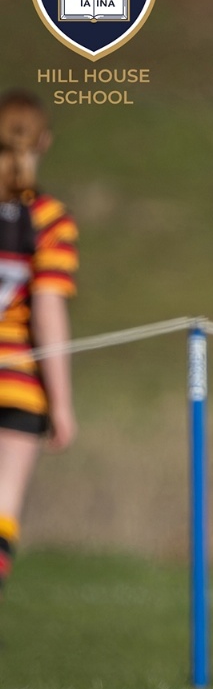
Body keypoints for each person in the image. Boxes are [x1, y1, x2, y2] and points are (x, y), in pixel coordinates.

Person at [0, 90, 77, 601]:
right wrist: (62, 405)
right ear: (43, 142)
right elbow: (48, 311)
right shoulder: (48, 217)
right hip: (17, 384)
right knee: (2, 506)